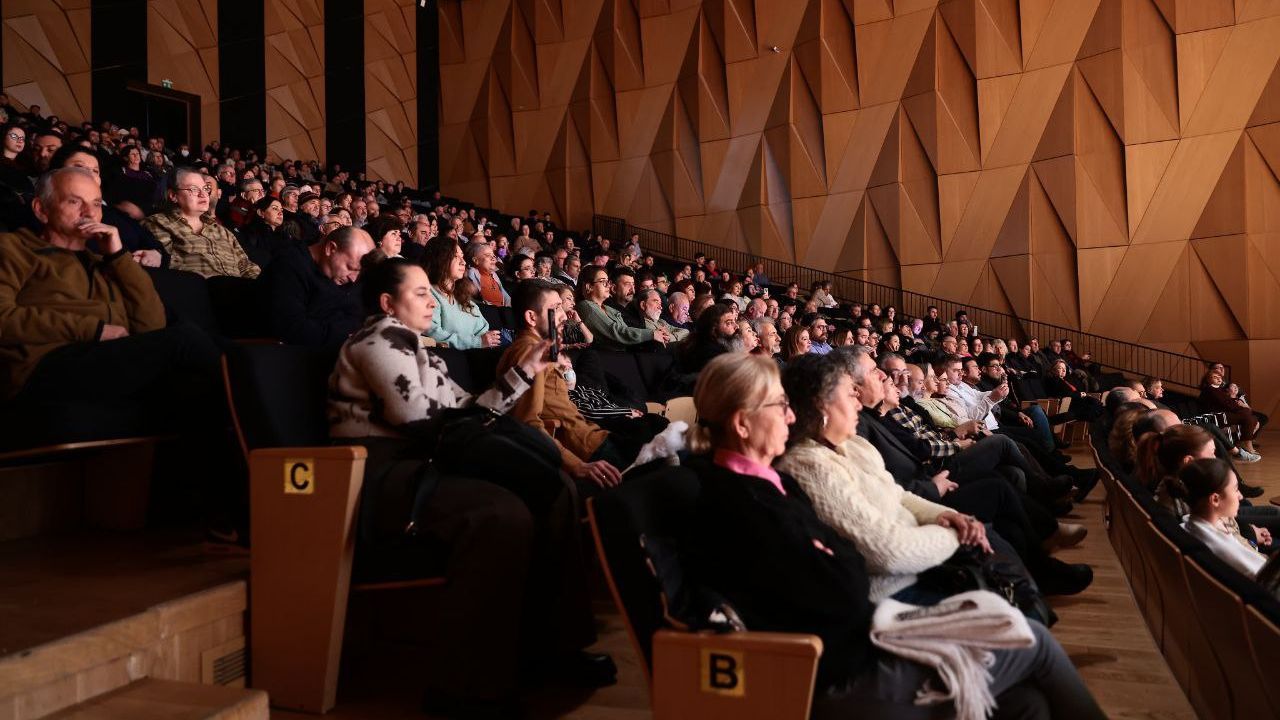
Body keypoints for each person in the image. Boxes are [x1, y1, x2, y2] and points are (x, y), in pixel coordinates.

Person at [680, 354, 1106, 719]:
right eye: (779, 406)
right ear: (742, 424)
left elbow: (846, 559)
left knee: (1026, 703)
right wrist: (943, 534)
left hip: (861, 638)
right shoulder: (747, 498)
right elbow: (850, 578)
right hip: (836, 669)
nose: (790, 417)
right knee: (1034, 644)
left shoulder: (770, 484)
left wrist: (939, 521)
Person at [327, 259, 611, 715]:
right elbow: (418, 420)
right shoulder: (375, 340)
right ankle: (463, 688)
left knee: (555, 487)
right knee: (499, 514)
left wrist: (525, 372)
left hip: (428, 462)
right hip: (380, 476)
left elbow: (471, 408)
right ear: (387, 303)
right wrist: (486, 427)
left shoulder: (418, 348)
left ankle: (554, 649)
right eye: (420, 293)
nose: (432, 302)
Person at [0, 167, 222, 447]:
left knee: (200, 385)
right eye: (74, 201)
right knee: (186, 341)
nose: (89, 212)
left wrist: (118, 256)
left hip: (103, 360)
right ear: (41, 209)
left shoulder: (105, 264)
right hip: (41, 365)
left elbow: (152, 325)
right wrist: (94, 330)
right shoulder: (13, 248)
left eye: (96, 203)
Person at [775, 354, 985, 603]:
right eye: (850, 395)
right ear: (822, 405)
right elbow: (888, 553)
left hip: (924, 562)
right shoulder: (808, 466)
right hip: (892, 593)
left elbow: (898, 495)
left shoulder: (854, 445)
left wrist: (948, 515)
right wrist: (956, 534)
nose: (858, 404)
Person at [498, 280, 656, 495]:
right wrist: (575, 465)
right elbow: (528, 423)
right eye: (555, 309)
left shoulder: (540, 349)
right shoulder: (529, 352)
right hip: (585, 450)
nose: (564, 316)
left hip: (591, 437)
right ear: (531, 317)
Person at [260, 225, 373, 348]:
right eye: (350, 268)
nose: (354, 278)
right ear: (330, 248)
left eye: (359, 272)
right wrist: (347, 335)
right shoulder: (287, 266)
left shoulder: (342, 275)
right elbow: (292, 329)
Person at [142, 167, 259, 279]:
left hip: (240, 288)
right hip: (197, 287)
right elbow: (164, 262)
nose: (203, 194)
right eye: (193, 189)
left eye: (205, 188)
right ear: (173, 195)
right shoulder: (158, 222)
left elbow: (246, 266)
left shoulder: (222, 230)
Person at [421, 236, 498, 349]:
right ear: (440, 259)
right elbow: (434, 335)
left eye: (462, 256)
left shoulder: (461, 294)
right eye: (456, 256)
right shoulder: (428, 294)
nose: (463, 262)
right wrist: (477, 342)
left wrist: (487, 340)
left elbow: (482, 328)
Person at [575, 265, 672, 351]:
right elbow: (615, 331)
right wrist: (652, 334)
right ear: (589, 286)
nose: (608, 285)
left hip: (625, 355)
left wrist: (658, 334)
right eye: (603, 281)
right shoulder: (586, 305)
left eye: (607, 281)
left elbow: (626, 330)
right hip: (609, 358)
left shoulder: (608, 308)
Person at [236, 196, 292, 270]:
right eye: (275, 208)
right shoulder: (250, 232)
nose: (280, 213)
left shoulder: (285, 235)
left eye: (281, 210)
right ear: (261, 213)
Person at [465, 240, 511, 307]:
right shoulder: (470, 275)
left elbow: (507, 298)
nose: (493, 258)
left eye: (494, 255)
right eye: (488, 255)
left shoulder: (494, 275)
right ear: (476, 260)